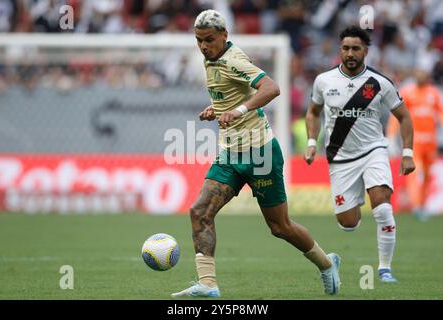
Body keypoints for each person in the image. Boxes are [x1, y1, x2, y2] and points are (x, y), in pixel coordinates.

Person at [171, 9, 341, 298]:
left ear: (225, 36)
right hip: (230, 154)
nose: (203, 46)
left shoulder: (233, 60)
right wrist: (219, 109)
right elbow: (232, 93)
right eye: (199, 40)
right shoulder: (211, 58)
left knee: (280, 227)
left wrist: (238, 110)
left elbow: (271, 88)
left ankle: (327, 264)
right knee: (199, 212)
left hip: (260, 154)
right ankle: (208, 284)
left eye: (209, 40)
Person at [304, 26, 416, 283]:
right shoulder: (324, 81)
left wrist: (407, 153)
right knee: (348, 223)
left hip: (373, 151)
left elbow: (405, 117)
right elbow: (313, 111)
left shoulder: (380, 82)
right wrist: (312, 142)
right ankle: (361, 200)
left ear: (366, 50)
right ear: (339, 50)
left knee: (382, 206)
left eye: (356, 48)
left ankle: (384, 268)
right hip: (340, 158)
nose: (350, 53)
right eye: (345, 48)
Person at [387, 68, 443, 221]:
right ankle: (416, 205)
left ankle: (423, 205)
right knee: (415, 173)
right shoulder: (407, 92)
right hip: (414, 141)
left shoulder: (434, 93)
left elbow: (441, 113)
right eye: (418, 73)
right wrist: (391, 136)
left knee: (427, 175)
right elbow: (398, 116)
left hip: (430, 142)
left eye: (423, 73)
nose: (421, 76)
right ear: (415, 76)